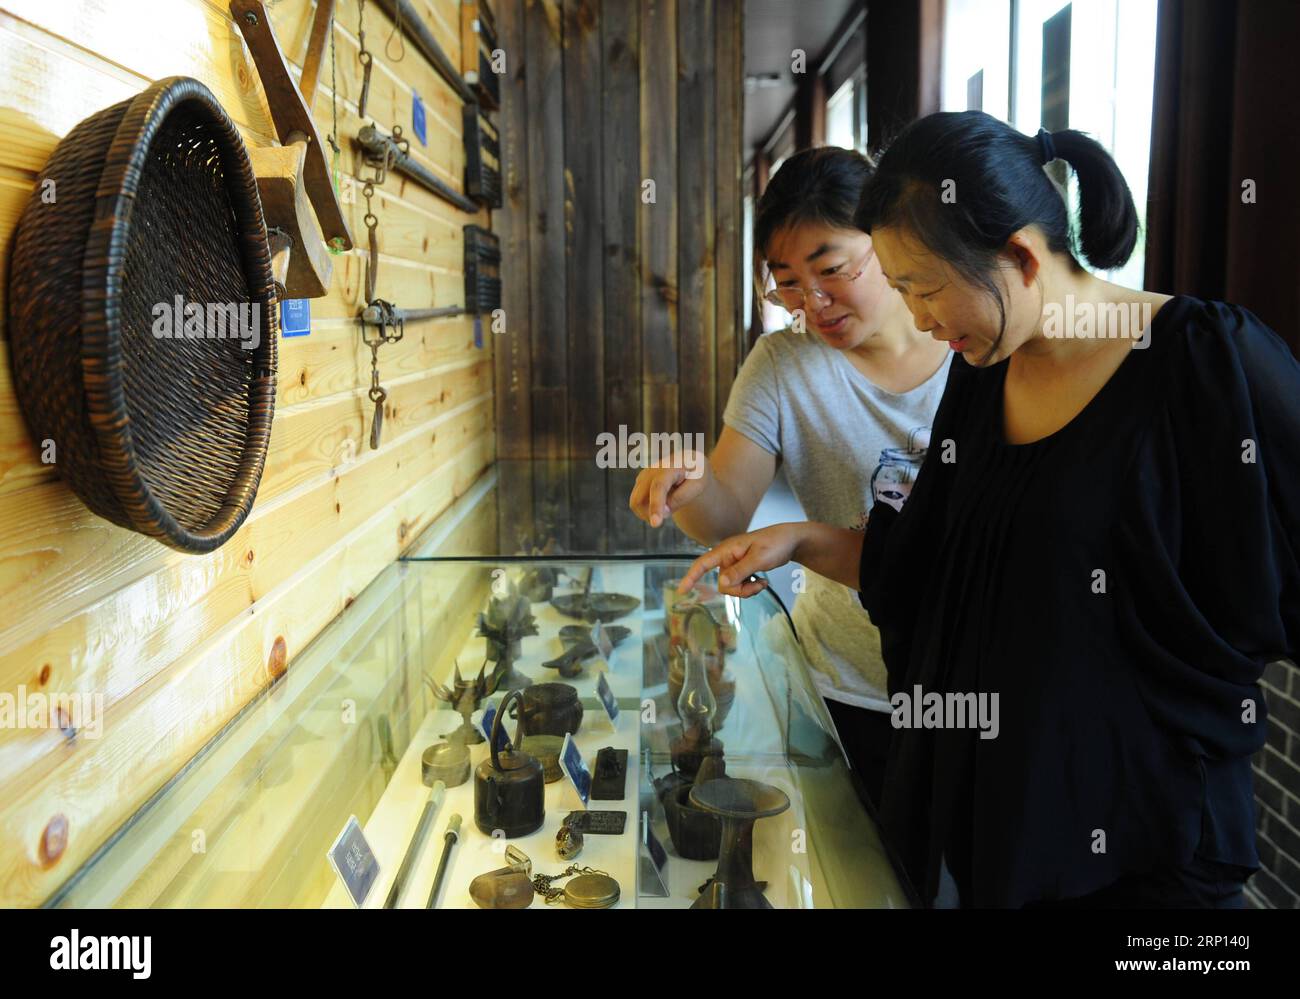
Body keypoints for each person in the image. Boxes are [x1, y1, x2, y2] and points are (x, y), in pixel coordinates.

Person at [677, 111, 1299, 908]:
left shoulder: (1205, 361)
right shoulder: (982, 378)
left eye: (927, 290)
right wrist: (794, 537)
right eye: (902, 292)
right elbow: (918, 565)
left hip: (1151, 839)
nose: (924, 321)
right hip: (1008, 833)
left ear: (1020, 256)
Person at [628, 146, 949, 807]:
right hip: (842, 680)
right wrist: (690, 482)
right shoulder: (782, 363)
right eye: (789, 283)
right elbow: (722, 517)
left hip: (976, 676)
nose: (815, 301)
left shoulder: (971, 342)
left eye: (832, 270)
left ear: (890, 239)